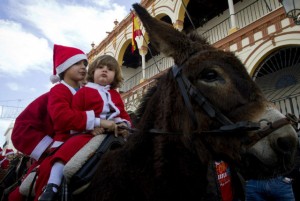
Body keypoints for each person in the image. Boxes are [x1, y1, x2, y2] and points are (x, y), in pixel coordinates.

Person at [37, 54, 131, 201]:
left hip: (115, 132)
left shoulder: (115, 95)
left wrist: (124, 125)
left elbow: (124, 114)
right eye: (100, 67)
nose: (105, 70)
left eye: (110, 69)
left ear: (115, 76)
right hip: (88, 133)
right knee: (68, 149)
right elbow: (76, 113)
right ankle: (52, 185)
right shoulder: (84, 91)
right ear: (92, 72)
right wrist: (91, 127)